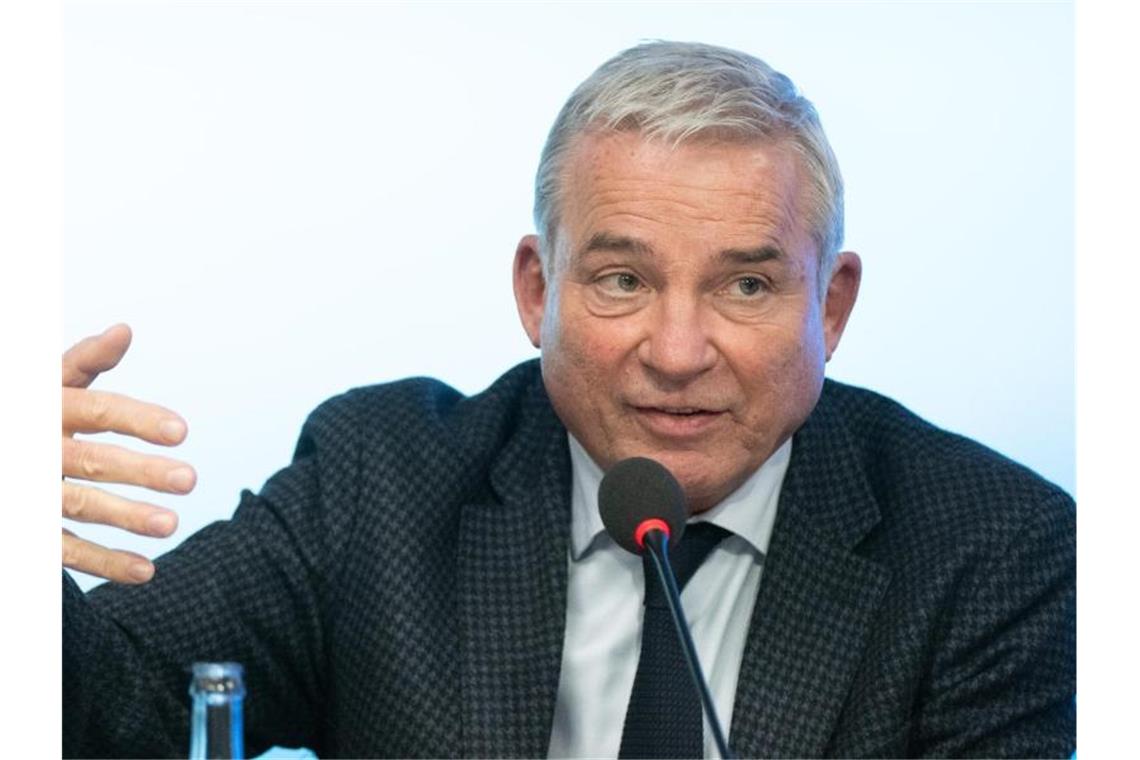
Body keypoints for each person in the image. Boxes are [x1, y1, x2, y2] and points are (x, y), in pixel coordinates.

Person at [62, 41, 1075, 758]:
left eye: (747, 285)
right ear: (536, 291)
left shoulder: (993, 550)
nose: (678, 353)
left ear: (833, 304)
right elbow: (114, 710)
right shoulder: (380, 482)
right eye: (623, 280)